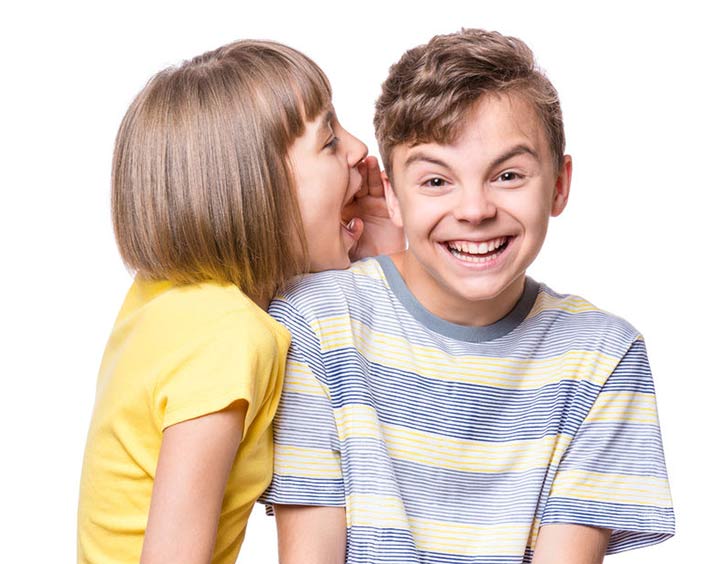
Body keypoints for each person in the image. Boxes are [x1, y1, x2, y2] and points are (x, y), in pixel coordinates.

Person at [261, 29, 675, 563]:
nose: (475, 209)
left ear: (558, 185)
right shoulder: (317, 325)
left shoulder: (601, 356)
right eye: (436, 181)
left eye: (507, 175)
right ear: (391, 192)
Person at [77, 39, 402, 564]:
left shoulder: (169, 301)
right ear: (259, 192)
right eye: (328, 141)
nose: (360, 148)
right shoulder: (228, 338)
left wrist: (380, 259)